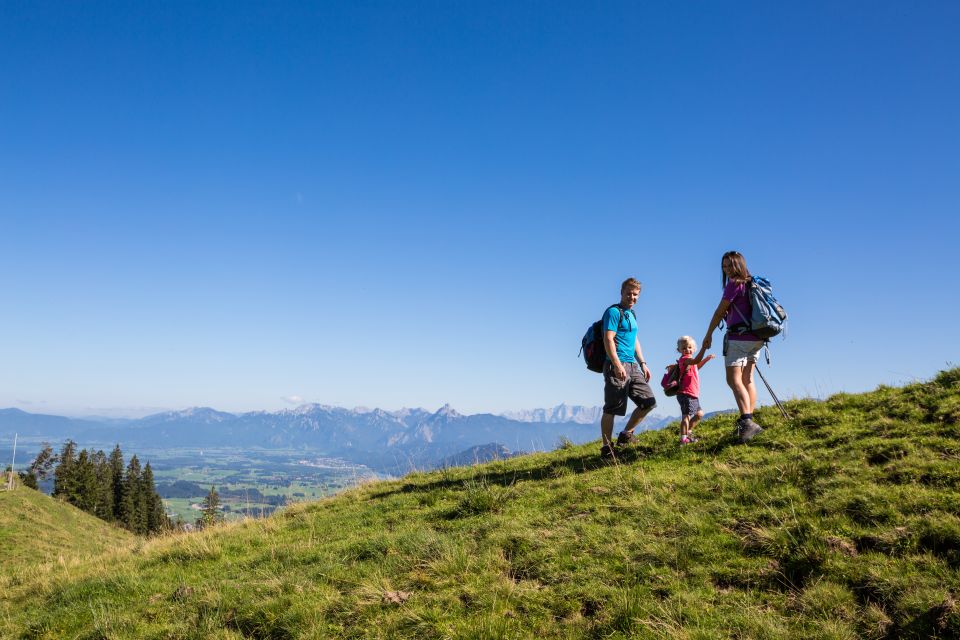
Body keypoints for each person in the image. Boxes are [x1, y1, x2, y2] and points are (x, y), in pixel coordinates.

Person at [702, 251, 765, 443]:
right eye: (724, 266)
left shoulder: (734, 284)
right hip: (757, 336)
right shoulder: (752, 282)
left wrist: (708, 333)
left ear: (739, 265)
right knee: (748, 379)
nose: (727, 270)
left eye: (730, 265)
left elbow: (720, 311)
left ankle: (747, 421)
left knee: (733, 379)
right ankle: (750, 420)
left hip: (738, 337)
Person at [599, 278, 656, 459]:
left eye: (635, 294)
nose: (632, 297)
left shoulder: (632, 315)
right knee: (612, 408)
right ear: (621, 292)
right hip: (616, 364)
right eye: (629, 293)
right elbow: (608, 339)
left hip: (632, 366)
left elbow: (635, 340)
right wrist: (616, 364)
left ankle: (626, 434)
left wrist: (643, 363)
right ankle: (607, 448)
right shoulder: (613, 312)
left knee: (648, 402)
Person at [665, 336, 715, 444]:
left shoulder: (690, 362)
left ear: (693, 348)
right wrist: (704, 348)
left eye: (689, 347)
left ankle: (688, 433)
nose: (687, 350)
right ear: (679, 350)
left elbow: (697, 365)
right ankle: (683, 439)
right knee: (686, 416)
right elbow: (696, 360)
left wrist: (706, 359)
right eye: (684, 348)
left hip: (693, 393)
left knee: (699, 414)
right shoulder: (684, 359)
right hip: (685, 393)